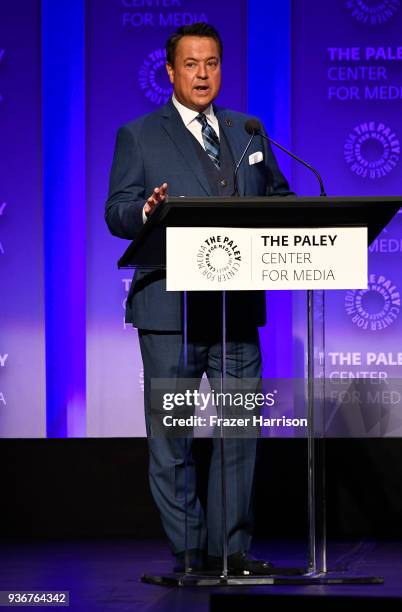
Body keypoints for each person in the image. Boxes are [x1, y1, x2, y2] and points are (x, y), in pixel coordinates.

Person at [105, 22, 292, 574]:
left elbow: (279, 197)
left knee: (238, 435)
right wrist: (147, 210)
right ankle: (189, 550)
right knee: (173, 439)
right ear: (170, 71)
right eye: (191, 64)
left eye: (211, 63)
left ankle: (231, 548)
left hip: (236, 310)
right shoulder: (139, 134)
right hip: (170, 310)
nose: (202, 74)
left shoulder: (248, 131)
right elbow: (117, 210)